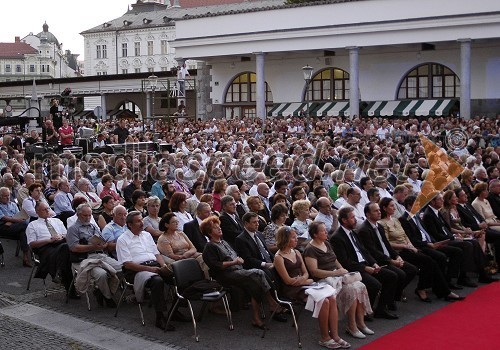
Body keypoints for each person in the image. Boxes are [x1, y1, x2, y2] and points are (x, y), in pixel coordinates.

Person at [275, 226, 352, 349]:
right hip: (292, 289)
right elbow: (287, 281)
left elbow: (306, 272)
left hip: (304, 283)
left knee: (331, 297)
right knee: (324, 301)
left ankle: (335, 335)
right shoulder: (278, 257)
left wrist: (304, 279)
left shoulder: (296, 252)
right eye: (293, 238)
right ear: (285, 240)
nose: (296, 240)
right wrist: (303, 280)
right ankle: (324, 337)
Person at [201, 216, 283, 329]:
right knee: (258, 273)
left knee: (255, 284)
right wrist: (234, 262)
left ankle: (257, 318)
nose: (219, 228)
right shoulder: (210, 246)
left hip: (238, 271)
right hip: (225, 275)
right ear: (209, 233)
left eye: (219, 226)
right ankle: (272, 303)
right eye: (215, 228)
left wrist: (237, 261)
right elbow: (215, 265)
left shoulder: (223, 242)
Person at [303, 222, 373, 341]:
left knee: (360, 286)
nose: (326, 232)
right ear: (315, 234)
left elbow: (335, 260)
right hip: (324, 280)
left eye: (326, 230)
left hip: (337, 276)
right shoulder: (310, 249)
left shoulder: (327, 243)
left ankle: (361, 323)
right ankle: (352, 326)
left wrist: (342, 270)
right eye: (323, 231)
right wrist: (335, 273)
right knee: (350, 290)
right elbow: (314, 272)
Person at [330, 206, 399, 320]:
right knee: (375, 284)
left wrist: (374, 263)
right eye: (352, 218)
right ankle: (364, 312)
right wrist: (365, 268)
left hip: (365, 264)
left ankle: (380, 310)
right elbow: (345, 261)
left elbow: (364, 251)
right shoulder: (337, 238)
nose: (355, 220)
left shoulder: (353, 232)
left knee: (392, 276)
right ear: (344, 220)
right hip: (355, 269)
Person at [116, 211, 177, 331]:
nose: (141, 223)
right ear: (129, 224)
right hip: (136, 270)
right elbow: (127, 264)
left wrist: (163, 265)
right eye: (138, 221)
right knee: (157, 281)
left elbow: (156, 253)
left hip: (154, 265)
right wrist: (149, 269)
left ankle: (175, 310)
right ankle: (160, 317)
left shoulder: (146, 235)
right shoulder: (122, 240)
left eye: (141, 220)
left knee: (179, 275)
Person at [359, 201, 418, 308]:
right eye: (375, 211)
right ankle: (384, 305)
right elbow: (373, 251)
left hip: (388, 257)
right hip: (378, 261)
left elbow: (387, 245)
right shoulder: (364, 230)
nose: (379, 212)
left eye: (378, 210)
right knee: (396, 275)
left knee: (411, 270)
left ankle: (392, 297)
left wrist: (396, 256)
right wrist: (391, 261)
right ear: (368, 214)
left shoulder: (379, 226)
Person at [66, 203, 121, 307]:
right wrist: (92, 247)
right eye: (85, 215)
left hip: (100, 255)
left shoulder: (93, 226)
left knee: (122, 269)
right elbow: (74, 248)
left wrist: (103, 244)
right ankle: (107, 297)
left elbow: (103, 242)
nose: (87, 218)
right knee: (101, 274)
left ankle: (103, 291)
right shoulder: (73, 229)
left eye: (89, 215)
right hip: (84, 258)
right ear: (78, 215)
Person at [422, 193, 479, 288]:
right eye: (439, 199)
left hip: (448, 237)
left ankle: (466, 274)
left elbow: (446, 227)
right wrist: (452, 237)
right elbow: (435, 234)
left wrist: (454, 234)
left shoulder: (436, 211)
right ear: (432, 201)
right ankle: (457, 278)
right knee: (465, 246)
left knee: (473, 242)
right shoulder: (429, 214)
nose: (442, 201)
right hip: (441, 241)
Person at [26, 202, 76, 298]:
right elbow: (32, 244)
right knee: (66, 254)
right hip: (45, 248)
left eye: (48, 208)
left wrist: (60, 236)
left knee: (65, 249)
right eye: (44, 209)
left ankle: (59, 273)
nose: (47, 211)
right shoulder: (32, 225)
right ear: (37, 212)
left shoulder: (57, 221)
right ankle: (69, 287)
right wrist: (49, 240)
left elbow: (66, 234)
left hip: (60, 244)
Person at [157, 213, 208, 277]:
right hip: (178, 261)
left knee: (206, 258)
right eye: (174, 222)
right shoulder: (163, 239)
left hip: (190, 255)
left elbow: (193, 248)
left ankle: (209, 280)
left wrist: (187, 254)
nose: (177, 223)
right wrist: (185, 256)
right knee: (201, 260)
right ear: (166, 225)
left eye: (177, 221)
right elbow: (171, 256)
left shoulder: (181, 233)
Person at [0, 187, 30, 266]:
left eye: (8, 195)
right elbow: (3, 218)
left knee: (23, 232)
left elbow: (19, 216)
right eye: (5, 196)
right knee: (25, 225)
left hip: (14, 225)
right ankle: (30, 252)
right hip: (3, 227)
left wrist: (11, 221)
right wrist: (15, 221)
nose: (7, 197)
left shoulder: (13, 204)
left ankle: (25, 256)